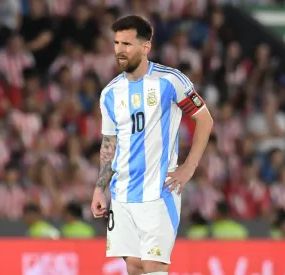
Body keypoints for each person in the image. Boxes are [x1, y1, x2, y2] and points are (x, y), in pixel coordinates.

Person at [90, 15, 213, 275]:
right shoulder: (110, 93)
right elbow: (109, 143)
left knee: (154, 267)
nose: (120, 50)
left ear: (145, 47)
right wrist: (100, 187)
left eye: (127, 44)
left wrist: (189, 167)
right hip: (122, 193)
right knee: (133, 267)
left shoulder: (170, 81)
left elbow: (204, 119)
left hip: (159, 191)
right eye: (116, 43)